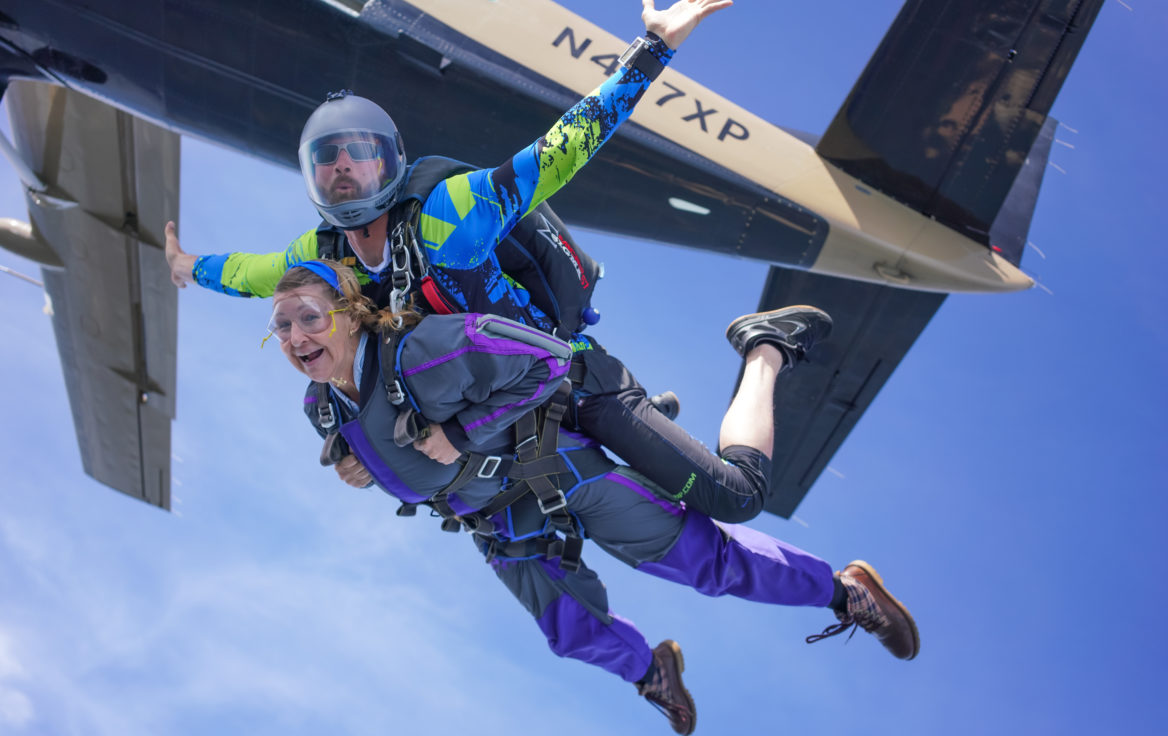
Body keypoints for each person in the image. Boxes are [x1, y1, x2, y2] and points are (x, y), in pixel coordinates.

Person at [164, 0, 797, 525]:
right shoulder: (322, 255)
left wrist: (653, 49)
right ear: (311, 179)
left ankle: (763, 347)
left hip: (568, 381)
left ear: (389, 160)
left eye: (358, 152)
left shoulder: (449, 214)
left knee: (735, 499)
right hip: (494, 418)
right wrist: (190, 268)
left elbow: (560, 151)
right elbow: (250, 275)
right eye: (326, 160)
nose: (344, 169)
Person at [269, 259, 920, 735]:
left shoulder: (420, 353)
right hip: (498, 524)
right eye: (283, 326)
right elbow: (389, 452)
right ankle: (652, 673)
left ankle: (845, 592)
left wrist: (461, 431)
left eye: (310, 317)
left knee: (709, 561)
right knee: (570, 631)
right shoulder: (320, 406)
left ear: (352, 312)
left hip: (560, 470)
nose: (298, 336)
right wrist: (364, 470)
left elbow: (550, 360)